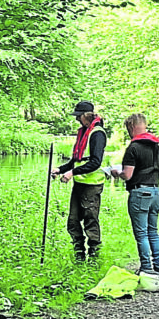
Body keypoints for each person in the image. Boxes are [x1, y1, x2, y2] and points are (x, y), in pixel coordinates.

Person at [52, 101, 107, 261]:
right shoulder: (83, 132)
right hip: (79, 184)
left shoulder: (97, 133)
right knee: (73, 221)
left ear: (86, 116)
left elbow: (95, 162)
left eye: (79, 116)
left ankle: (94, 258)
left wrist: (72, 173)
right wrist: (60, 170)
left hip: (92, 185)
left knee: (90, 220)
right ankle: (79, 256)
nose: (77, 120)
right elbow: (77, 160)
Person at [111, 113, 159, 277]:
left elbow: (128, 175)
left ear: (132, 127)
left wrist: (116, 173)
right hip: (156, 191)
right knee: (153, 231)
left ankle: (146, 268)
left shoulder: (133, 148)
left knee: (141, 233)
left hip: (140, 193)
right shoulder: (156, 146)